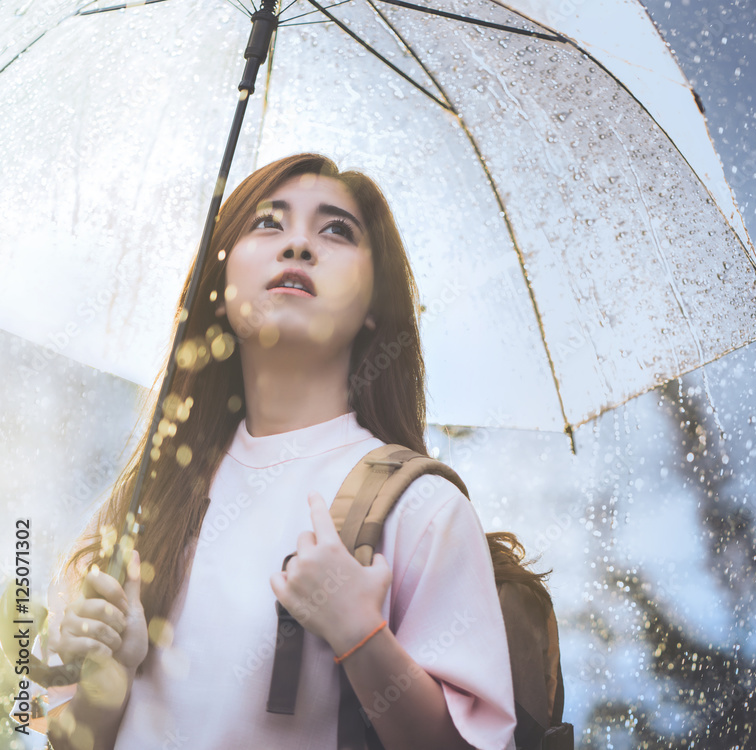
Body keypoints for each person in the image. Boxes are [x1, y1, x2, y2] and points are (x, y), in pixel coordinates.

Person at [43, 153, 518, 750]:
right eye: (268, 223)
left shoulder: (420, 508)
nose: (297, 244)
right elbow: (64, 736)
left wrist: (361, 635)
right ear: (217, 287)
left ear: (376, 309)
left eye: (336, 230)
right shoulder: (149, 501)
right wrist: (107, 679)